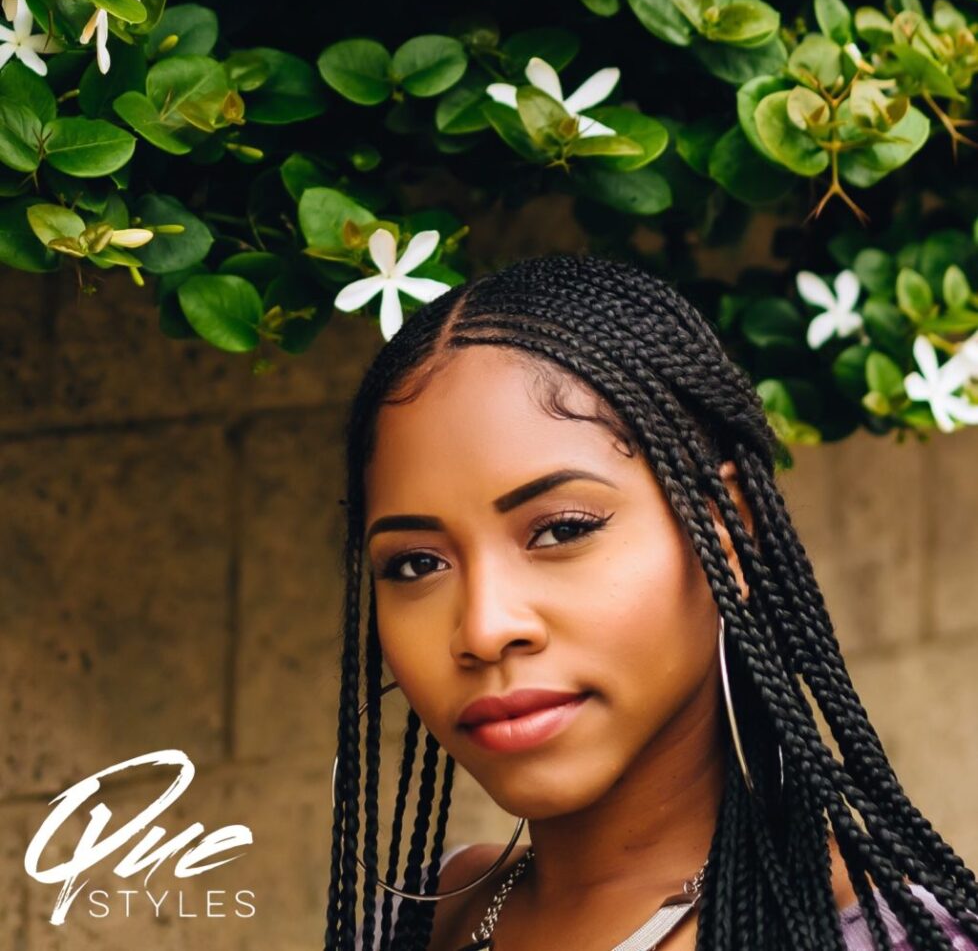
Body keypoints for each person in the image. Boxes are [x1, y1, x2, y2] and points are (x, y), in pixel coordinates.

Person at [324, 254, 978, 951]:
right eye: (417, 563)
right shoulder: (421, 922)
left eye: (562, 530)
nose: (484, 629)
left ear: (726, 535)